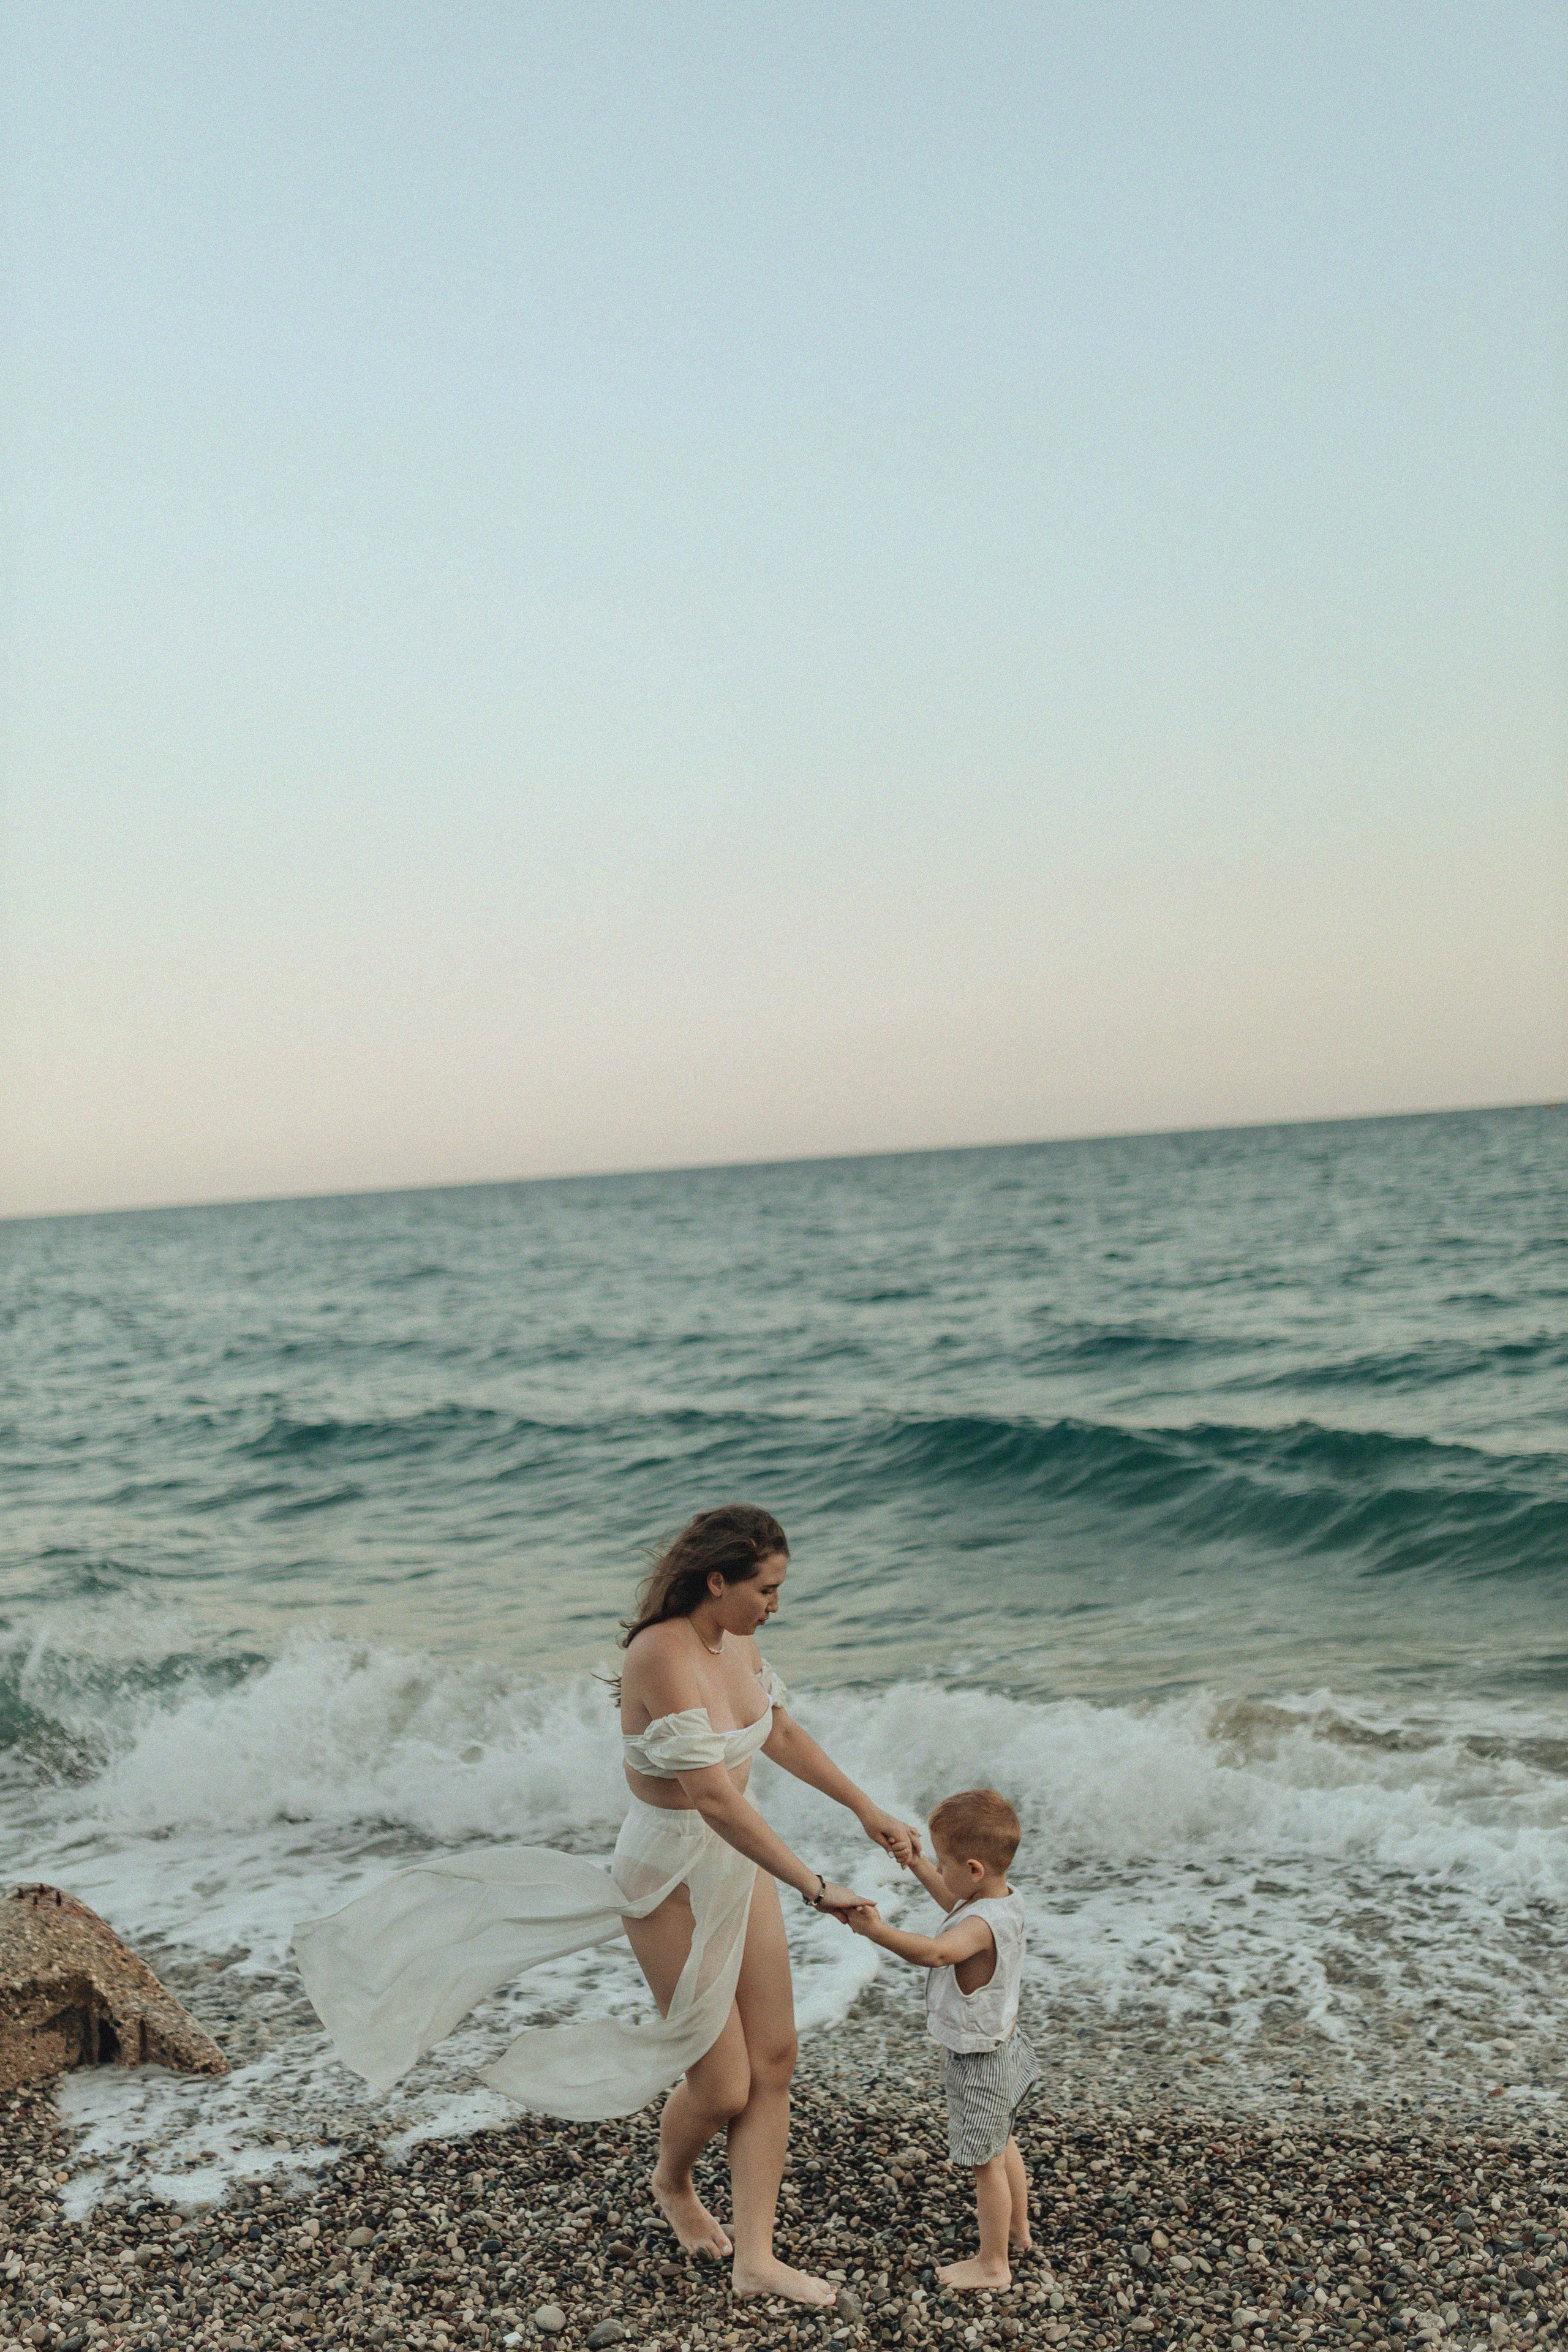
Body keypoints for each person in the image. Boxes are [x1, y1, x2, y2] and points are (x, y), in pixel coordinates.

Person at [293, 1504, 922, 2311]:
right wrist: (816, 1884)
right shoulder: (659, 1655)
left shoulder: (739, 1640)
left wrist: (864, 1808)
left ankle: (756, 2259)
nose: (776, 1605)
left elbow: (780, 1732)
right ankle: (673, 2181)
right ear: (717, 1579)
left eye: (780, 1590)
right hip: (667, 1876)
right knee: (724, 2084)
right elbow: (714, 1800)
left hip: (742, 1865)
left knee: (775, 2059)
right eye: (765, 1589)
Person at [840, 1787, 1039, 2292]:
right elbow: (954, 1899)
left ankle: (993, 2264)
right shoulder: (1003, 1900)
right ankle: (1018, 2233)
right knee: (1004, 2138)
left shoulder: (976, 1926)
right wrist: (919, 1863)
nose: (941, 1872)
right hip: (1005, 2043)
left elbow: (934, 1953)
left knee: (984, 2162)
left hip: (978, 2060)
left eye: (946, 1863)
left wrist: (875, 1931)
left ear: (974, 1869)